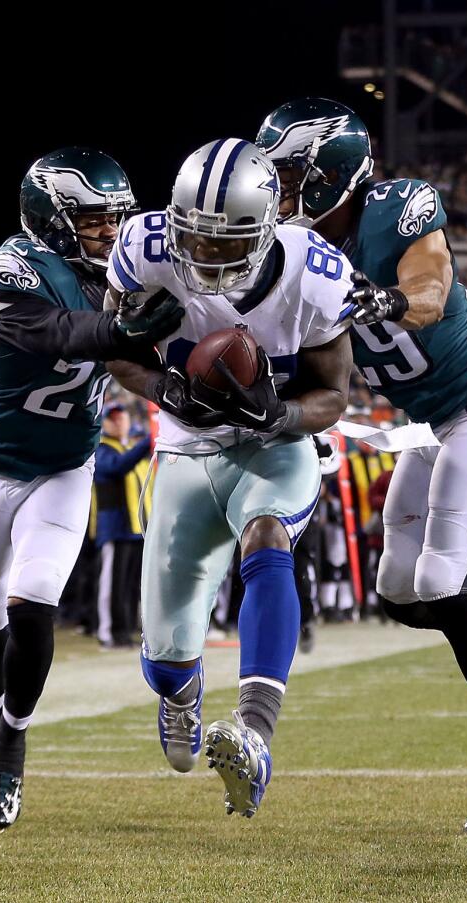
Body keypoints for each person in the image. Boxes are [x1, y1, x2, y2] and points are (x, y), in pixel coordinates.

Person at [256, 99, 467, 834]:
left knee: (445, 581)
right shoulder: (291, 249)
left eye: (287, 176)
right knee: (401, 594)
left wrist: (380, 298)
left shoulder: (398, 208)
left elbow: (432, 289)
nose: (277, 193)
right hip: (427, 425)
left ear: (328, 175)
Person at [104, 139, 354, 819]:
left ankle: (256, 733)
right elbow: (117, 351)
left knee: (268, 537)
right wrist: (164, 387)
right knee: (165, 656)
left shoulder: (316, 272)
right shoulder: (145, 247)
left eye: (226, 242)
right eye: (195, 238)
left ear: (268, 226)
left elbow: (336, 395)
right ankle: (181, 694)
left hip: (273, 445)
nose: (204, 255)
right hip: (185, 450)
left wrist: (282, 412)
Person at [0, 149, 179, 831]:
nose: (109, 232)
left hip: (64, 467)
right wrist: (124, 327)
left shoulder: (126, 270)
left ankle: (12, 739)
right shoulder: (13, 266)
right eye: (91, 219)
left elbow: (164, 335)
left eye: (114, 218)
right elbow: (54, 331)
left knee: (32, 605)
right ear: (50, 219)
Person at [93, 402, 152, 650]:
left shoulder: (125, 448)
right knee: (112, 584)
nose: (118, 422)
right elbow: (116, 468)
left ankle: (125, 630)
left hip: (134, 529)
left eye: (121, 418)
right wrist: (147, 441)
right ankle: (108, 632)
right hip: (114, 528)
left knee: (129, 585)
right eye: (113, 419)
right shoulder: (102, 449)